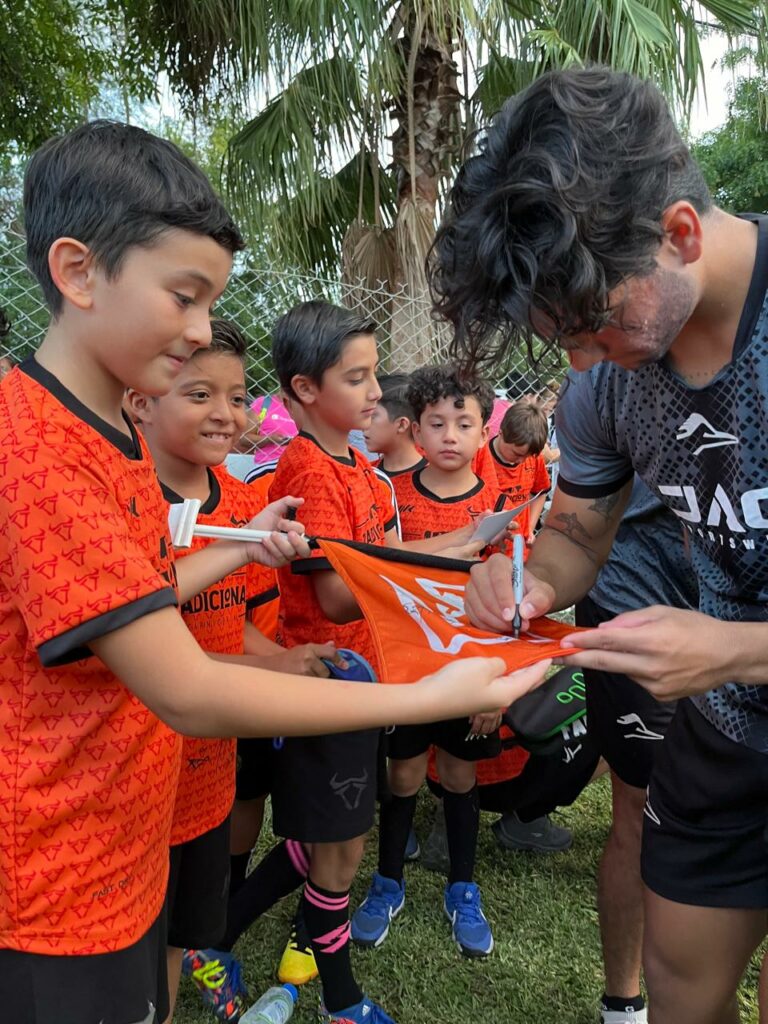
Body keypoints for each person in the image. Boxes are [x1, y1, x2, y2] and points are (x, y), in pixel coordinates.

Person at [0, 119, 546, 1024]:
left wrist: (239, 545)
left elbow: (135, 590)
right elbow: (189, 691)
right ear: (77, 271)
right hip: (57, 884)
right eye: (183, 296)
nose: (201, 330)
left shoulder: (105, 432)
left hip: (124, 849)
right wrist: (430, 692)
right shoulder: (37, 449)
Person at [429, 65, 768, 1024]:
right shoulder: (606, 385)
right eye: (557, 337)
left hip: (729, 672)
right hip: (728, 730)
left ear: (681, 234)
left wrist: (733, 648)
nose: (579, 364)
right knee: (678, 984)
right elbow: (578, 533)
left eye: (593, 324)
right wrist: (530, 590)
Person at [127, 317, 341, 1021]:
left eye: (239, 396)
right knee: (129, 933)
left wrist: (282, 659)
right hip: (135, 771)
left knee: (186, 921)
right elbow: (147, 649)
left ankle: (196, 960)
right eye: (198, 393)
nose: (225, 414)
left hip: (208, 770)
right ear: (141, 398)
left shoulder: (246, 502)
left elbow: (238, 619)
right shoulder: (121, 504)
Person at [353, 364, 503, 959]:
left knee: (460, 777)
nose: (449, 435)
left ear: (482, 431)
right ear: (415, 431)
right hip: (409, 671)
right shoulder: (391, 497)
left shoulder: (499, 506)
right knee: (404, 775)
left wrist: (496, 688)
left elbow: (513, 600)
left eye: (463, 423)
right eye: (436, 422)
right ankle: (387, 879)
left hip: (471, 673)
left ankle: (463, 887)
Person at [483, 400, 551, 549]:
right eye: (517, 453)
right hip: (485, 544)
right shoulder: (481, 458)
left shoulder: (533, 459)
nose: (522, 461)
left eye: (528, 456)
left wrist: (530, 529)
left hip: (518, 543)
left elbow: (541, 493)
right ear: (501, 433)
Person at [363, 372, 425, 478]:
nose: (364, 424)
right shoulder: (365, 475)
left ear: (401, 425)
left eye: (372, 416)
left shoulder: (435, 480)